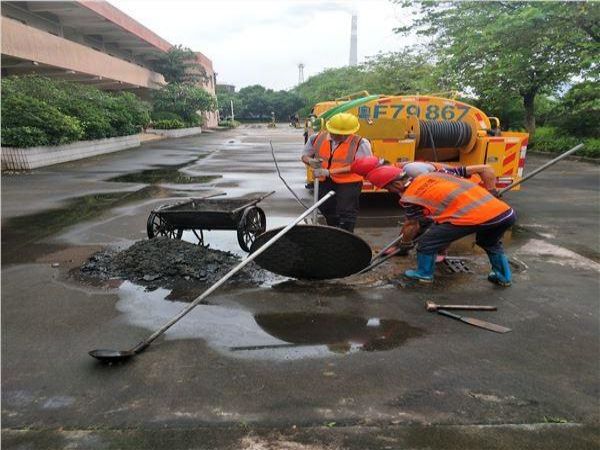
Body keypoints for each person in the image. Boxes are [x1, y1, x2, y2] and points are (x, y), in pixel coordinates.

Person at [361, 165, 515, 286]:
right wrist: (492, 191)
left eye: (388, 188)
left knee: (427, 243)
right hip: (504, 213)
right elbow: (486, 168)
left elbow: (412, 225)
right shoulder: (436, 173)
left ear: (397, 183)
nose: (389, 191)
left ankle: (424, 274)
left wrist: (405, 244)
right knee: (489, 242)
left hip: (472, 217)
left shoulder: (410, 197)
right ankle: (503, 277)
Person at [301, 113, 373, 233]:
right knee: (326, 207)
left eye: (345, 134)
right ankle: (335, 232)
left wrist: (330, 172)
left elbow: (361, 167)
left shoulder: (361, 143)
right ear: (329, 129)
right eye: (337, 133)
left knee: (346, 212)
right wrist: (310, 161)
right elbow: (304, 156)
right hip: (324, 180)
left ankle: (346, 237)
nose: (341, 136)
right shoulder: (316, 138)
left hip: (349, 182)